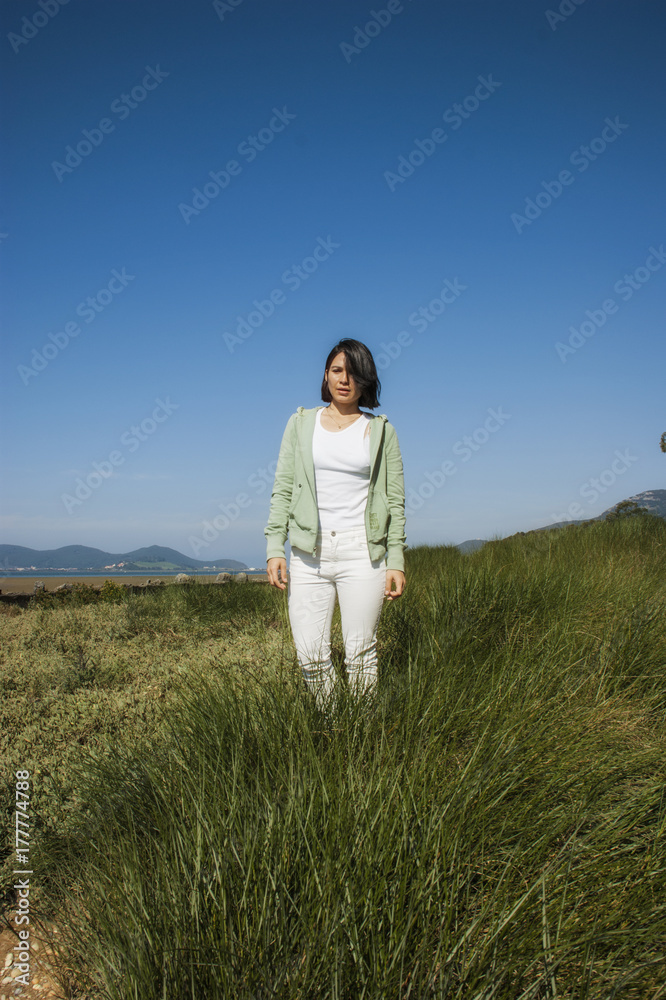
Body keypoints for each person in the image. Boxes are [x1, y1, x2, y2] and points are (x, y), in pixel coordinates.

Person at [264, 339, 406, 707]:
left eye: (353, 373)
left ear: (366, 380)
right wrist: (274, 547)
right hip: (308, 553)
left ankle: (360, 734)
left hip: (362, 553)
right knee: (310, 655)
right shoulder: (300, 423)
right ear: (326, 375)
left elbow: (394, 500)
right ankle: (333, 727)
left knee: (361, 654)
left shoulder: (381, 430)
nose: (344, 380)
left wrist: (396, 560)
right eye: (337, 370)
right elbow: (283, 488)